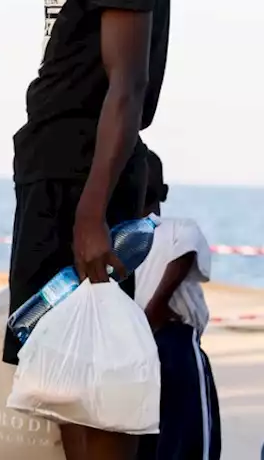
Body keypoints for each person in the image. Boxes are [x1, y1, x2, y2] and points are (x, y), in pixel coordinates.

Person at [1, 0, 171, 459]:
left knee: (96, 387)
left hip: (83, 184)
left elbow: (126, 89)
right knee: (61, 379)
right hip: (51, 180)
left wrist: (92, 211)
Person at [134, 149, 221, 460]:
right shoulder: (179, 227)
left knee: (145, 443)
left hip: (130, 347)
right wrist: (156, 307)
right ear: (165, 192)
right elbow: (184, 251)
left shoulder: (116, 240)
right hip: (172, 342)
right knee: (189, 442)